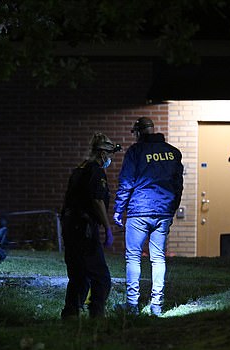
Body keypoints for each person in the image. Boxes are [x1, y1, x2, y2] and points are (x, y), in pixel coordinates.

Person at [113, 117, 183, 316]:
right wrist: (172, 207)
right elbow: (178, 184)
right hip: (163, 211)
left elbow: (126, 181)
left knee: (133, 257)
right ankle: (157, 305)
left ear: (138, 133)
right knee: (158, 257)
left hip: (139, 210)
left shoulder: (136, 151)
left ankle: (132, 305)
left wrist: (119, 209)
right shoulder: (173, 152)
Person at [60, 132, 120, 319]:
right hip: (84, 229)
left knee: (78, 276)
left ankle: (70, 316)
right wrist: (108, 228)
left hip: (70, 226)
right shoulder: (95, 170)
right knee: (101, 278)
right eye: (109, 155)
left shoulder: (80, 168)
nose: (110, 159)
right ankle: (97, 317)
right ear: (103, 154)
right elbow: (97, 200)